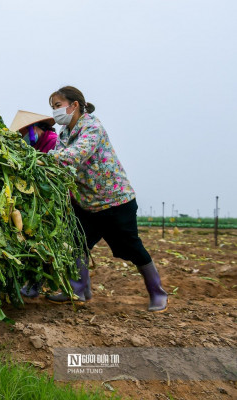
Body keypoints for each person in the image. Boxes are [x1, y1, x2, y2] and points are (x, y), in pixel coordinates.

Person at [45, 86, 167, 312]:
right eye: (53, 107)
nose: (55, 112)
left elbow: (76, 154)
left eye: (58, 106)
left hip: (114, 201)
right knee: (77, 244)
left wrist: (44, 159)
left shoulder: (92, 127)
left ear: (74, 105)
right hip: (86, 203)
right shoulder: (63, 134)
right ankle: (79, 290)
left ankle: (158, 292)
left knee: (130, 247)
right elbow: (60, 164)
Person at [9, 110, 59, 298]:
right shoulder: (36, 145)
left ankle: (38, 282)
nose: (22, 138)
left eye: (23, 134)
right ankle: (32, 281)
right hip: (37, 199)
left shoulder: (53, 141)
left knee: (42, 240)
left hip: (50, 201)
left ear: (33, 129)